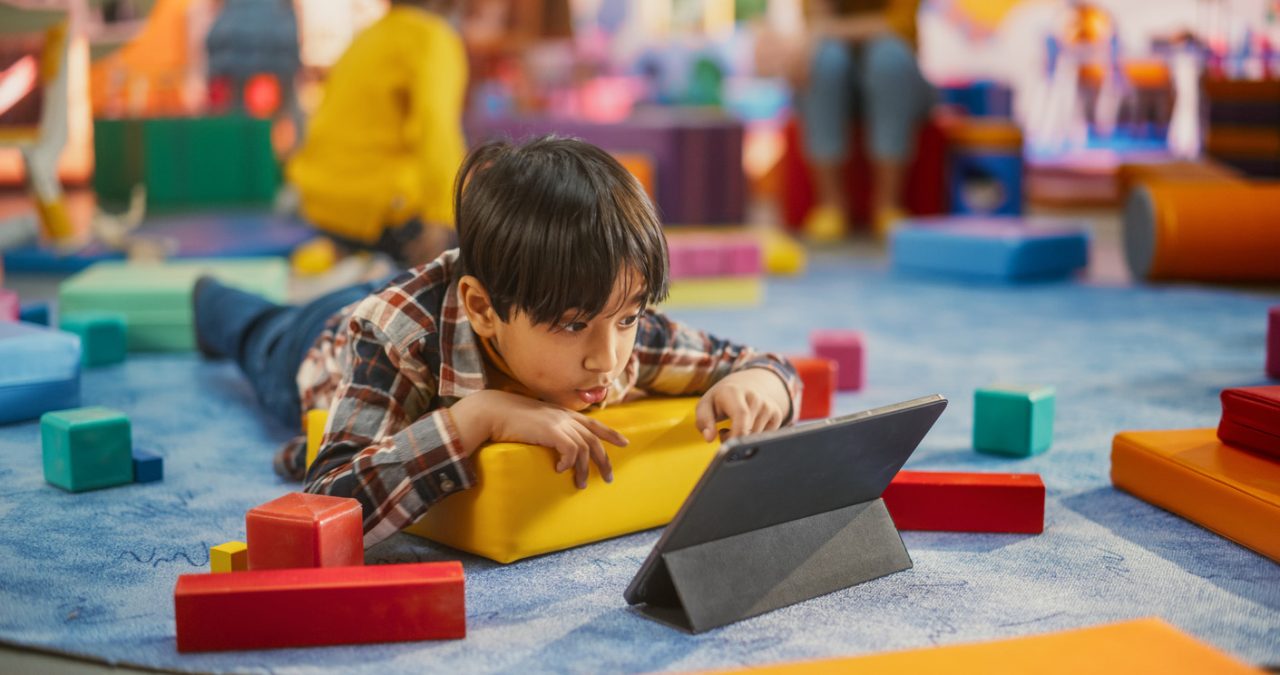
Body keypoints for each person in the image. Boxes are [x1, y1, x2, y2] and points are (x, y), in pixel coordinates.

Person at [194, 137, 802, 549]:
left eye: (626, 318)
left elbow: (754, 362)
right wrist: (476, 418)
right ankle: (205, 293)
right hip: (319, 342)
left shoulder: (612, 329)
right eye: (571, 325)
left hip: (453, 283)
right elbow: (327, 496)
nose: (607, 358)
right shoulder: (396, 335)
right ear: (484, 312)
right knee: (251, 330)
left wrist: (762, 381)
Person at [284, 0, 467, 268]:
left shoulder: (367, 38)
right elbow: (435, 128)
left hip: (323, 206)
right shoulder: (431, 37)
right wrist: (443, 214)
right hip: (377, 212)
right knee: (476, 248)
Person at [788, 0, 934, 241]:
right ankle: (831, 204)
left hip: (899, 81)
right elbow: (815, 22)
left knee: (889, 56)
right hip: (843, 83)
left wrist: (827, 29)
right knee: (825, 60)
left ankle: (888, 204)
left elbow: (899, 27)